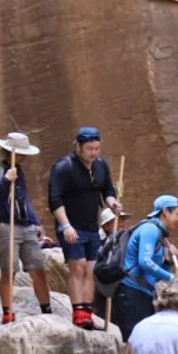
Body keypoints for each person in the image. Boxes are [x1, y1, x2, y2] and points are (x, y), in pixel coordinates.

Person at [47, 128, 122, 329]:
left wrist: (112, 203)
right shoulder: (64, 167)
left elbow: (107, 190)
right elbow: (54, 199)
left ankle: (87, 313)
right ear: (78, 146)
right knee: (77, 266)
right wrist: (65, 225)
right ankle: (78, 311)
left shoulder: (100, 166)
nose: (94, 153)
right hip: (71, 225)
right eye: (89, 149)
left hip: (92, 225)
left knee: (91, 269)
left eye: (97, 148)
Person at [0, 132, 52, 324]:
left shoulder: (17, 168)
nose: (24, 157)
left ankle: (47, 311)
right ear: (11, 151)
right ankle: (7, 313)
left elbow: (23, 198)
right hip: (3, 224)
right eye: (21, 153)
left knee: (38, 267)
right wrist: (5, 181)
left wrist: (35, 221)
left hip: (24, 223)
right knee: (9, 270)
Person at [112, 195, 178, 339]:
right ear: (165, 211)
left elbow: (154, 268)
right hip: (132, 292)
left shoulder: (159, 234)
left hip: (143, 293)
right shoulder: (149, 229)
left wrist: (168, 261)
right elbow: (144, 262)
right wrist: (173, 277)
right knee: (134, 340)